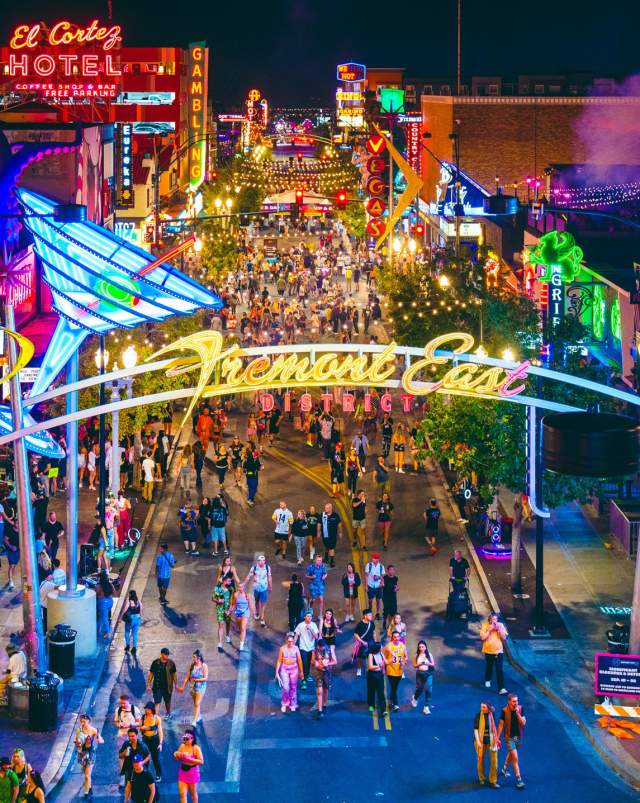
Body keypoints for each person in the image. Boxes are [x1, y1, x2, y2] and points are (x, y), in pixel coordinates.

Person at [497, 693, 526, 789]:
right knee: (515, 757)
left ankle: (504, 769)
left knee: (511, 753)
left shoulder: (521, 709)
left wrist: (517, 713)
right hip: (508, 737)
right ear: (508, 701)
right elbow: (501, 725)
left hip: (517, 736)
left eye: (517, 701)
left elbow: (523, 723)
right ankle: (519, 780)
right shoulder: (504, 711)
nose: (516, 703)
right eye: (514, 701)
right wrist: (497, 737)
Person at [176, 650, 208, 727]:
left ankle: (194, 721)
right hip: (192, 686)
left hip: (201, 687)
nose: (193, 658)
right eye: (193, 657)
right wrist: (183, 687)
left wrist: (196, 680)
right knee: (196, 703)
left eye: (194, 657)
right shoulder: (192, 666)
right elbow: (187, 677)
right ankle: (198, 716)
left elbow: (205, 678)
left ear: (199, 657)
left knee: (197, 704)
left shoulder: (204, 666)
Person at [74, 714, 103, 800]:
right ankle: (89, 787)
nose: (82, 723)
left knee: (87, 775)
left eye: (84, 721)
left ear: (88, 721)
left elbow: (101, 740)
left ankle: (86, 793)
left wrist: (98, 738)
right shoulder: (79, 730)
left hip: (90, 753)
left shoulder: (93, 730)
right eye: (81, 721)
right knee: (85, 773)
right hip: (82, 753)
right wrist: (77, 744)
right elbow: (76, 740)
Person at [480, 613, 508, 694]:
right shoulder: (485, 626)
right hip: (488, 651)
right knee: (489, 666)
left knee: (499, 669)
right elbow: (482, 638)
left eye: (496, 619)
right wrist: (489, 630)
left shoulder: (500, 625)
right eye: (493, 619)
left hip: (498, 651)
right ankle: (488, 679)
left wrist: (500, 630)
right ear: (489, 620)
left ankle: (501, 688)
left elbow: (504, 638)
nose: (494, 621)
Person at [275, 632, 303, 713]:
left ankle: (293, 704)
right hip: (284, 669)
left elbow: (299, 660)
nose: (290, 643)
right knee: (286, 687)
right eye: (289, 641)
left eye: (292, 641)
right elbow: (279, 660)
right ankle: (284, 703)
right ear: (286, 641)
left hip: (294, 669)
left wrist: (301, 672)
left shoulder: (296, 648)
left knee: (293, 687)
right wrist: (277, 672)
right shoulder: (282, 649)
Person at [473, 702, 500, 788]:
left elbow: (494, 727)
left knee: (494, 761)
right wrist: (478, 741)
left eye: (484, 707)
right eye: (481, 707)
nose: (481, 709)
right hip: (481, 741)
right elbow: (476, 729)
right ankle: (481, 778)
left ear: (488, 708)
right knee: (480, 759)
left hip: (491, 741)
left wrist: (496, 739)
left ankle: (493, 780)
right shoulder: (478, 715)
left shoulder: (491, 715)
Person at [173, 727, 203, 803]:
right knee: (182, 794)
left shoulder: (196, 748)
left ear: (192, 739)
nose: (185, 740)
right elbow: (176, 758)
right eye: (184, 739)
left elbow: (201, 761)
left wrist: (190, 759)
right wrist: (176, 754)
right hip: (182, 772)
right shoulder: (182, 746)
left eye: (187, 739)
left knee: (193, 794)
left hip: (192, 773)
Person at [146, 648, 178, 719]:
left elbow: (174, 674)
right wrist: (148, 684)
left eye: (168, 655)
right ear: (162, 654)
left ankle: (168, 713)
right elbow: (151, 674)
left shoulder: (171, 663)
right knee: (157, 702)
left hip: (167, 687)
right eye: (166, 654)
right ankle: (155, 716)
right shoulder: (155, 663)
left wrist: (176, 684)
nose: (167, 656)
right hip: (157, 686)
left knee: (167, 701)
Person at [383, 629, 408, 711]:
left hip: (399, 671)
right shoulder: (388, 646)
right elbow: (383, 657)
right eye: (394, 637)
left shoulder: (403, 646)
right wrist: (386, 664)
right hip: (390, 670)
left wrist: (404, 663)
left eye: (398, 637)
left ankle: (391, 700)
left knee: (395, 688)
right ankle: (396, 704)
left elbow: (406, 657)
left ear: (400, 637)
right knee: (393, 687)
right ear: (392, 638)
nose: (396, 638)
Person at [294, 609, 319, 689]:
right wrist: (293, 644)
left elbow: (316, 637)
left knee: (308, 663)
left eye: (311, 616)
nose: (309, 617)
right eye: (308, 616)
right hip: (303, 648)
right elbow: (296, 635)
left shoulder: (314, 625)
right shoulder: (300, 625)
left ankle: (307, 675)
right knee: (304, 663)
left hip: (310, 648)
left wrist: (311, 629)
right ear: (305, 617)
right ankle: (304, 681)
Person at [313, 637, 337, 718]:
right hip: (319, 673)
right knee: (319, 692)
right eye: (319, 647)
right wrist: (316, 663)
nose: (320, 649)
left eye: (322, 647)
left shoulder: (330, 649)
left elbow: (335, 661)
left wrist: (327, 664)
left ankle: (325, 705)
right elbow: (313, 661)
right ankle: (320, 711)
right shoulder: (315, 651)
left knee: (325, 691)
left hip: (327, 673)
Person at [140, 701, 163, 783]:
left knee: (155, 758)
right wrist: (149, 728)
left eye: (148, 709)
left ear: (151, 709)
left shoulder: (157, 718)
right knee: (145, 757)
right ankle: (144, 774)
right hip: (145, 739)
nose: (146, 710)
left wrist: (160, 743)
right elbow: (141, 728)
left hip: (154, 739)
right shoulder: (143, 718)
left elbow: (160, 731)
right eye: (146, 709)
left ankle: (158, 775)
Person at [246, 554, 272, 627]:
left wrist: (270, 587)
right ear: (258, 561)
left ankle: (262, 618)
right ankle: (257, 612)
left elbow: (269, 577)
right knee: (256, 602)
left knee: (263, 604)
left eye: (263, 560)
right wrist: (244, 583)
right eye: (260, 560)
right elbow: (249, 576)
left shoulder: (267, 568)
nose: (262, 562)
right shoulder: (254, 568)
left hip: (264, 589)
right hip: (256, 589)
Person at [411, 640, 435, 714]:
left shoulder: (429, 654)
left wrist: (427, 663)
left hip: (428, 673)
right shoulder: (416, 655)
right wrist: (420, 664)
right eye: (420, 647)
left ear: (425, 647)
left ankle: (426, 707)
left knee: (429, 690)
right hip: (420, 674)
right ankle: (415, 698)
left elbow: (433, 664)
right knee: (420, 688)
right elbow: (414, 665)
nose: (421, 648)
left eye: (423, 647)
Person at [366, 642, 388, 718]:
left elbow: (386, 662)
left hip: (379, 675)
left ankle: (383, 710)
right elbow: (370, 667)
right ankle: (371, 705)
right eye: (381, 647)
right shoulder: (371, 655)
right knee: (371, 691)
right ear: (378, 648)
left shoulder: (382, 654)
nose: (382, 648)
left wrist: (391, 659)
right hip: (372, 675)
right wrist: (379, 665)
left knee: (381, 692)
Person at [230, 583, 254, 650]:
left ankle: (241, 645)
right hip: (238, 613)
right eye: (239, 587)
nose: (240, 589)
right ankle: (242, 638)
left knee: (243, 628)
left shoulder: (247, 595)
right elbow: (233, 605)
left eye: (241, 587)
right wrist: (229, 611)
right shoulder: (235, 595)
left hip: (245, 612)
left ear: (244, 588)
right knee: (240, 628)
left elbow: (250, 605)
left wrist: (254, 613)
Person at [213, 575, 233, 653]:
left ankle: (227, 635)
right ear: (224, 581)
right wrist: (218, 601)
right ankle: (220, 643)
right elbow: (213, 598)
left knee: (228, 623)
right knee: (221, 624)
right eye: (229, 581)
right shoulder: (217, 588)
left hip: (227, 610)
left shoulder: (230, 589)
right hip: (220, 610)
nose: (230, 582)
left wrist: (231, 608)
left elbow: (232, 599)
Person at [353, 608, 375, 677]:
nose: (371, 616)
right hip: (362, 643)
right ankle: (359, 669)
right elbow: (355, 634)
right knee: (361, 657)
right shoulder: (360, 624)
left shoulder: (371, 623)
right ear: (365, 616)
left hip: (370, 642)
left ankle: (370, 668)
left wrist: (375, 641)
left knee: (371, 656)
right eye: (369, 615)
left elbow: (373, 632)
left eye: (371, 615)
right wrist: (362, 641)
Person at [320, 502, 341, 567]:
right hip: (325, 535)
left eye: (327, 508)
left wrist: (340, 532)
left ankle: (332, 561)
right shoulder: (322, 515)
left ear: (330, 508)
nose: (325, 509)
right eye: (325, 508)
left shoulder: (335, 515)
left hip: (333, 535)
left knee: (331, 547)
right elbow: (319, 523)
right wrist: (318, 532)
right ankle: (326, 557)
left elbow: (339, 524)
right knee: (326, 546)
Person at [95, 569, 115, 639]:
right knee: (101, 618)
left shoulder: (98, 586)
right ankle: (97, 630)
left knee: (104, 618)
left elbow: (96, 594)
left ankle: (108, 633)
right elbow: (114, 592)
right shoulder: (109, 584)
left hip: (103, 603)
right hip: (110, 602)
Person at [364, 553, 385, 620]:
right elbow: (366, 576)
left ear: (378, 559)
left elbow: (382, 576)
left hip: (378, 587)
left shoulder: (381, 566)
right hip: (370, 586)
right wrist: (366, 586)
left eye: (375, 558)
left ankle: (377, 613)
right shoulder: (368, 565)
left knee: (378, 600)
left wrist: (382, 583)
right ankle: (370, 609)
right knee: (370, 600)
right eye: (373, 558)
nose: (374, 559)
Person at [122, 590, 142, 656]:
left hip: (130, 619)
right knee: (135, 634)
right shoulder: (138, 602)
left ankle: (128, 646)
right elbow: (141, 609)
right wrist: (140, 617)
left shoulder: (129, 601)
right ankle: (134, 648)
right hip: (137, 618)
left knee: (127, 632)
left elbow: (125, 609)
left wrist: (121, 616)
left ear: (130, 595)